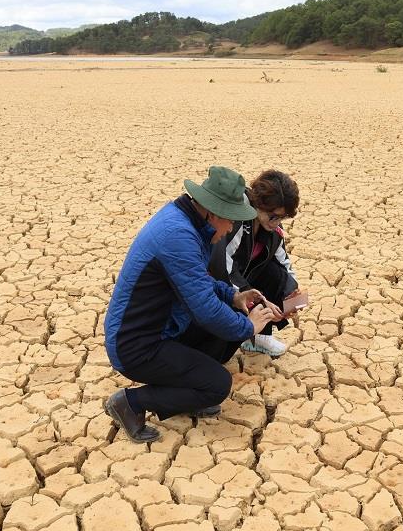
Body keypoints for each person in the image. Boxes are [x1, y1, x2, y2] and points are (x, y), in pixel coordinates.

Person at [103, 166, 279, 442]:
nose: (232, 227)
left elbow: (199, 280)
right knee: (217, 385)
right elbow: (206, 310)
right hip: (135, 344)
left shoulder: (189, 224)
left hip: (164, 328)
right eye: (230, 220)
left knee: (223, 336)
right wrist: (248, 327)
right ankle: (130, 402)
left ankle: (187, 390)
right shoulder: (178, 236)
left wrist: (233, 296)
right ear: (214, 212)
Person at [209, 169, 300, 357]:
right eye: (273, 216)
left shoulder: (272, 229)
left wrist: (292, 299)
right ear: (258, 204)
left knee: (277, 275)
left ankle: (260, 337)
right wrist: (254, 301)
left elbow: (284, 264)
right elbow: (222, 266)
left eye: (282, 218)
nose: (277, 222)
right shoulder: (239, 217)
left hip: (245, 279)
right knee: (220, 356)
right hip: (218, 283)